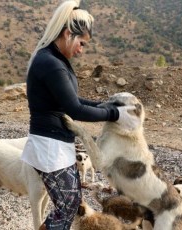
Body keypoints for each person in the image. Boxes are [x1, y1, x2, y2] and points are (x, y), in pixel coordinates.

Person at [20, 1, 135, 229]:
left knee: (69, 206)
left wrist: (106, 105)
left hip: (55, 145)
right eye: (81, 43)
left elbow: (71, 101)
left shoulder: (53, 59)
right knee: (67, 208)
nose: (81, 50)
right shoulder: (51, 64)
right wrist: (114, 114)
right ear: (67, 33)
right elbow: (75, 109)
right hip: (49, 148)